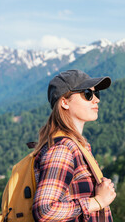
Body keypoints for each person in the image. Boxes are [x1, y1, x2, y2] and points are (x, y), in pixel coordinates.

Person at [32, 69, 116, 222]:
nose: (96, 100)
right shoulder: (63, 149)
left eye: (96, 94)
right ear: (64, 102)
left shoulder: (77, 146)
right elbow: (44, 211)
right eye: (87, 94)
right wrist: (98, 201)